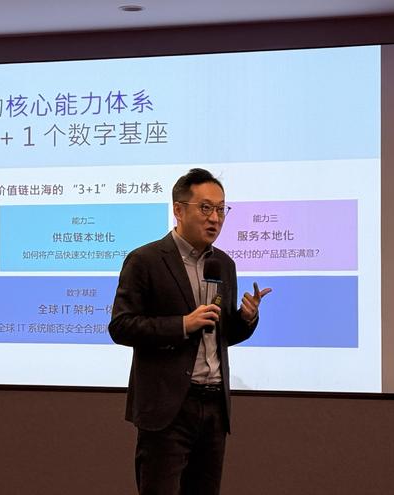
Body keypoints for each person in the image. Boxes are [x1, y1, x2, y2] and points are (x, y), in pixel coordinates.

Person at [109, 168, 271, 495]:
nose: (215, 218)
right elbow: (122, 326)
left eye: (221, 209)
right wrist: (183, 324)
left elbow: (221, 335)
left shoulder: (223, 264)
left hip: (213, 407)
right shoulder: (145, 260)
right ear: (179, 210)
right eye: (206, 208)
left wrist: (246, 318)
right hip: (168, 408)